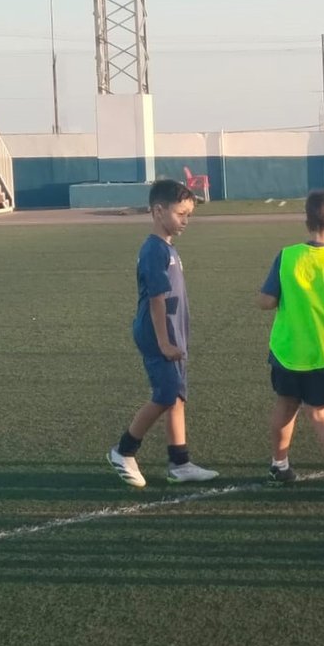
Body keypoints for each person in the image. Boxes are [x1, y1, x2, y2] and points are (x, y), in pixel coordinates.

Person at [107, 179, 219, 487]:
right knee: (166, 394)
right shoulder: (155, 250)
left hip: (172, 335)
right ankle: (123, 450)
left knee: (177, 397)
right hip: (159, 335)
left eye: (189, 215)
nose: (185, 221)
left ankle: (179, 463)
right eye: (181, 213)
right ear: (158, 211)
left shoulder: (167, 248)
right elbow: (156, 301)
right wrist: (165, 342)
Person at [257, 189, 324, 496]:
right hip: (320, 353)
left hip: (285, 350)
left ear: (307, 222)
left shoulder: (286, 256)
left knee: (285, 406)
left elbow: (265, 301)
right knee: (319, 413)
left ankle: (280, 465)